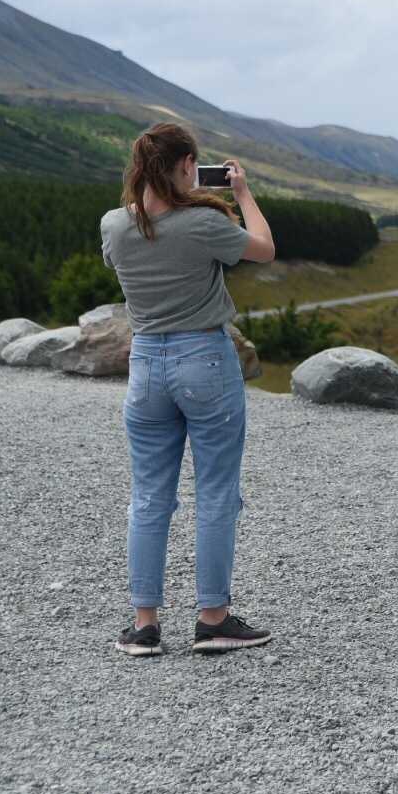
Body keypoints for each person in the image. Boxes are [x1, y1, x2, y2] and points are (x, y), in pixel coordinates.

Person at [99, 122, 276, 657]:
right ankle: (213, 619)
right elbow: (264, 249)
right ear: (186, 167)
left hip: (146, 365)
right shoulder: (203, 222)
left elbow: (132, 239)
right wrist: (242, 193)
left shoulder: (114, 224)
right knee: (216, 491)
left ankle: (144, 626)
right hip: (205, 361)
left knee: (149, 496)